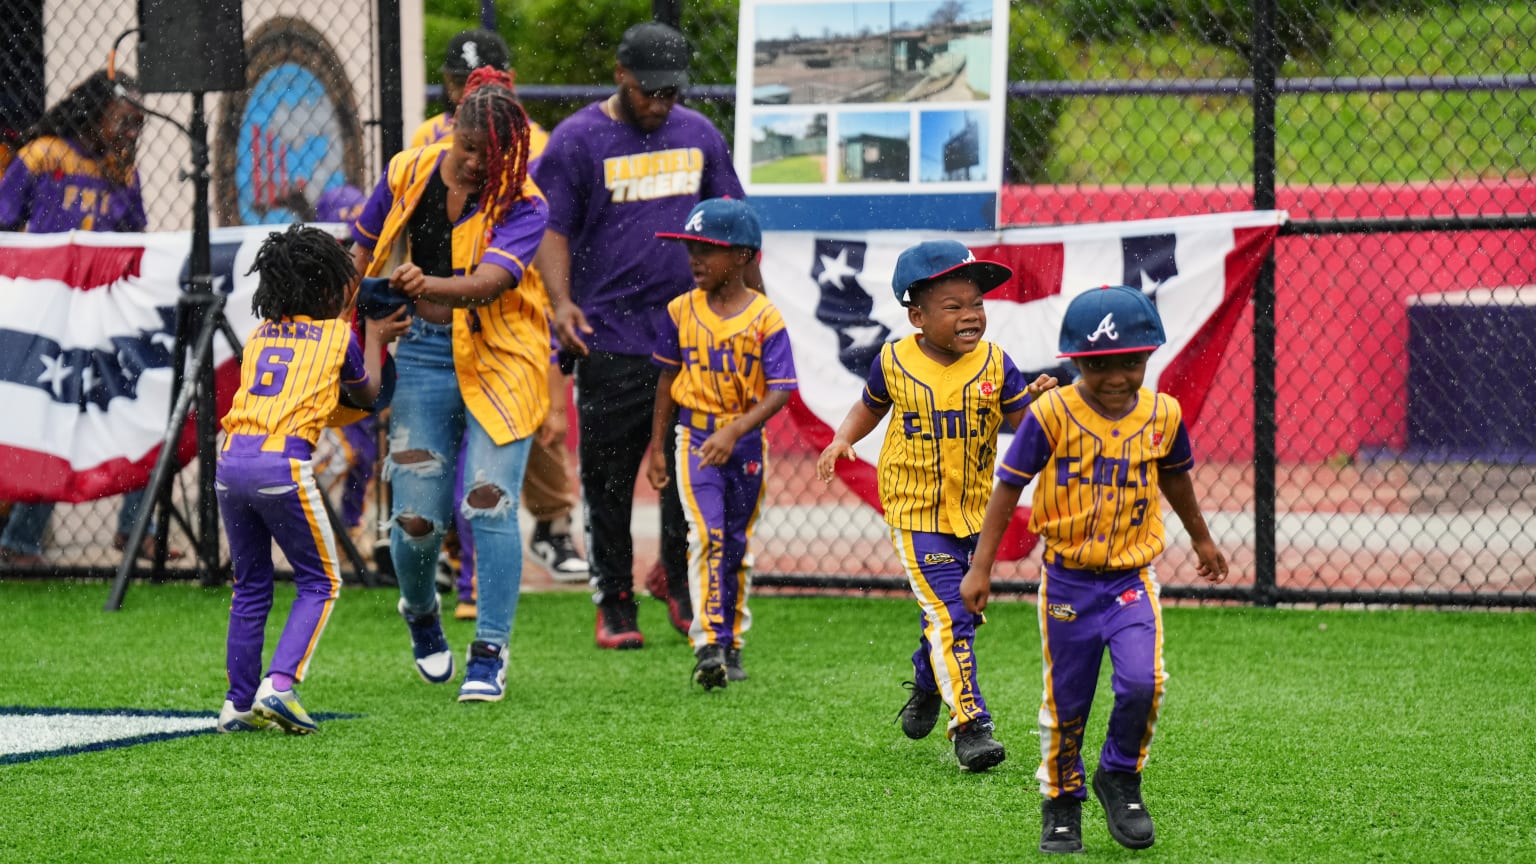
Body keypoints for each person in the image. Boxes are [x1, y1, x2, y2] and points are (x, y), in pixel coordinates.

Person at [962, 285, 1230, 853]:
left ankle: (1121, 777)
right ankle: (1061, 801)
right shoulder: (1051, 413)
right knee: (1069, 700)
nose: (1116, 377)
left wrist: (1201, 538)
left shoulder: (1163, 415)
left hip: (1132, 580)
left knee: (1142, 682)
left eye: (1131, 362)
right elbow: (1009, 486)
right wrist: (980, 567)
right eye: (1099, 364)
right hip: (1067, 583)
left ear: (1149, 357)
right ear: (1075, 361)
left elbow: (1176, 476)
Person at [533, 20, 755, 649]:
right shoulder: (579, 140)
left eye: (670, 92)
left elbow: (734, 224)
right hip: (612, 337)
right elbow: (553, 229)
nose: (660, 103)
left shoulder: (699, 134)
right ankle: (615, 600)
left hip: (695, 338)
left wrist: (755, 309)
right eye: (649, 91)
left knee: (691, 474)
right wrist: (561, 303)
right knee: (609, 478)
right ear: (621, 76)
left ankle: (680, 588)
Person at [815, 240, 1056, 771]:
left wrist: (1039, 403)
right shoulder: (894, 360)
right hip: (915, 510)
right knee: (951, 614)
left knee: (952, 615)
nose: (971, 315)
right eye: (954, 306)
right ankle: (969, 725)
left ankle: (928, 680)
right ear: (917, 315)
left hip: (972, 512)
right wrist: (841, 439)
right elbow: (869, 405)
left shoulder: (996, 363)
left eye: (977, 304)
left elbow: (1023, 418)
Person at [351, 66, 549, 704]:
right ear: (452, 131)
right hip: (426, 355)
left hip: (503, 356)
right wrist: (348, 302)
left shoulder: (523, 202)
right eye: (467, 150)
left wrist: (423, 285)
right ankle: (419, 612)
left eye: (490, 159)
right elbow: (358, 248)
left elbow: (491, 282)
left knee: (489, 501)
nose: (474, 166)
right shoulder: (408, 170)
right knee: (414, 519)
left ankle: (489, 652)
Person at [412, 29, 588, 615]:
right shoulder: (425, 142)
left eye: (483, 77)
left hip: (512, 307)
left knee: (533, 427)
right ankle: (445, 553)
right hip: (439, 312)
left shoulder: (530, 139)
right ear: (448, 85)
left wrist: (557, 298)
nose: (471, 89)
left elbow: (543, 223)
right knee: (437, 444)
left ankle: (552, 524)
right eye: (461, 81)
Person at [214, 224, 403, 734]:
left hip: (230, 464)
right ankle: (279, 686)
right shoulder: (339, 336)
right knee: (321, 581)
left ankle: (235, 704)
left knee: (250, 585)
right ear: (328, 288)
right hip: (282, 466)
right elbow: (366, 397)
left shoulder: (259, 336)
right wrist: (379, 339)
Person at [0, 70, 178, 567]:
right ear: (96, 110)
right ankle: (20, 541)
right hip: (45, 312)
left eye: (138, 126)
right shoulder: (45, 155)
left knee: (143, 403)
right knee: (50, 419)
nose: (129, 134)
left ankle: (135, 527)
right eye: (124, 121)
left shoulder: (121, 170)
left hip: (103, 313)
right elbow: (4, 222)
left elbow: (135, 238)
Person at [644, 199, 795, 689]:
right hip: (696, 436)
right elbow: (668, 380)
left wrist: (736, 430)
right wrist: (657, 447)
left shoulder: (765, 317)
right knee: (705, 535)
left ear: (744, 256)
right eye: (691, 247)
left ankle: (730, 639)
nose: (695, 259)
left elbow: (780, 389)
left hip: (744, 440)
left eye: (709, 249)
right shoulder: (679, 310)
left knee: (734, 543)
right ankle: (707, 641)